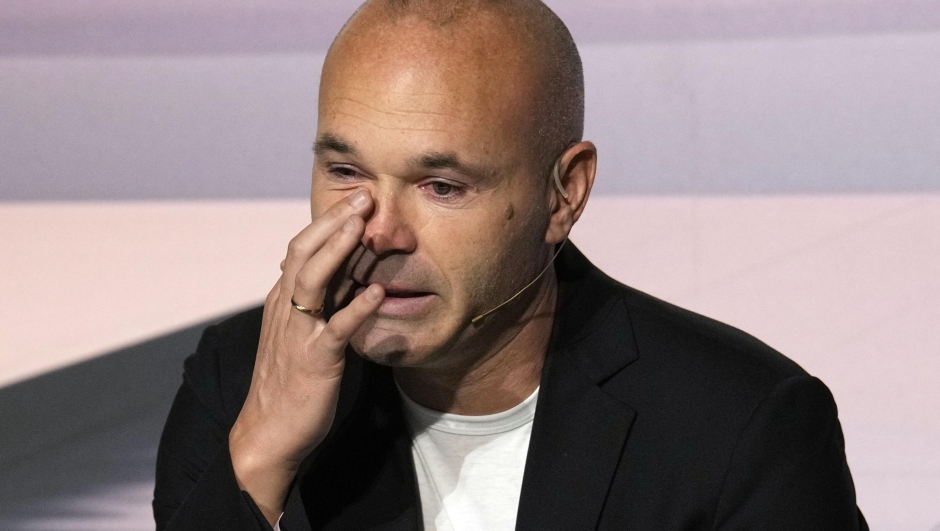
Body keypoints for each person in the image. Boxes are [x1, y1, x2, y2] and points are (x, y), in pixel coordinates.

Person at [153, 0, 869, 529]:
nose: (381, 232)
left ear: (565, 195)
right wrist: (256, 463)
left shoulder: (739, 424)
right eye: (346, 172)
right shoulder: (237, 385)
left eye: (442, 186)